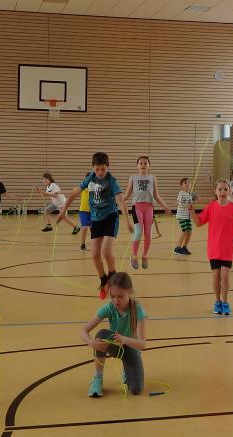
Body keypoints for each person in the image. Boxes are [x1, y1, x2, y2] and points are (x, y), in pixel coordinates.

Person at [61, 152, 132, 299]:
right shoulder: (90, 178)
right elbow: (74, 193)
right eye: (97, 169)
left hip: (110, 217)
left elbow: (120, 200)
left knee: (106, 252)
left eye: (103, 169)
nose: (100, 172)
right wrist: (63, 211)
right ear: (93, 167)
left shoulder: (112, 181)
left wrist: (127, 220)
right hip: (96, 219)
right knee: (94, 255)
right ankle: (103, 280)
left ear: (108, 167)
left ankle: (112, 275)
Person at [79, 272, 147, 397]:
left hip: (131, 348)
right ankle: (98, 378)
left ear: (130, 291)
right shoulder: (109, 308)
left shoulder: (137, 309)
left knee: (136, 389)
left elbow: (142, 345)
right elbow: (83, 330)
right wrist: (91, 342)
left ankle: (127, 371)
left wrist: (125, 339)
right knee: (101, 334)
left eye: (120, 296)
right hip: (114, 346)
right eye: (113, 296)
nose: (116, 300)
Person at [191, 179, 233, 314]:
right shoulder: (211, 207)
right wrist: (191, 211)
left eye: (225, 189)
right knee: (216, 277)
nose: (223, 191)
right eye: (220, 189)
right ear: (215, 191)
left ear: (229, 191)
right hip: (214, 249)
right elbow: (198, 223)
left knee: (225, 277)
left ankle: (225, 302)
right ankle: (217, 302)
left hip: (227, 249)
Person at [122, 156, 172, 270]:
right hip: (137, 207)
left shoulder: (152, 178)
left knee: (148, 235)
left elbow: (156, 195)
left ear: (149, 165)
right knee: (139, 232)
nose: (143, 165)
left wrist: (165, 206)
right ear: (137, 165)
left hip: (149, 207)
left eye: (145, 163)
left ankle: (144, 255)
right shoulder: (133, 178)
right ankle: (134, 255)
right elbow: (127, 194)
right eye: (141, 163)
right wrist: (117, 203)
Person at [173, 178, 197, 256]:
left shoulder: (190, 194)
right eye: (185, 183)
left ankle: (184, 247)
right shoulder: (181, 193)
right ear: (182, 185)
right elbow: (178, 202)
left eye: (188, 182)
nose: (187, 184)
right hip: (181, 215)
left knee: (189, 231)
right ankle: (177, 248)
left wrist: (193, 201)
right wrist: (185, 205)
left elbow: (192, 203)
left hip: (188, 216)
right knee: (185, 230)